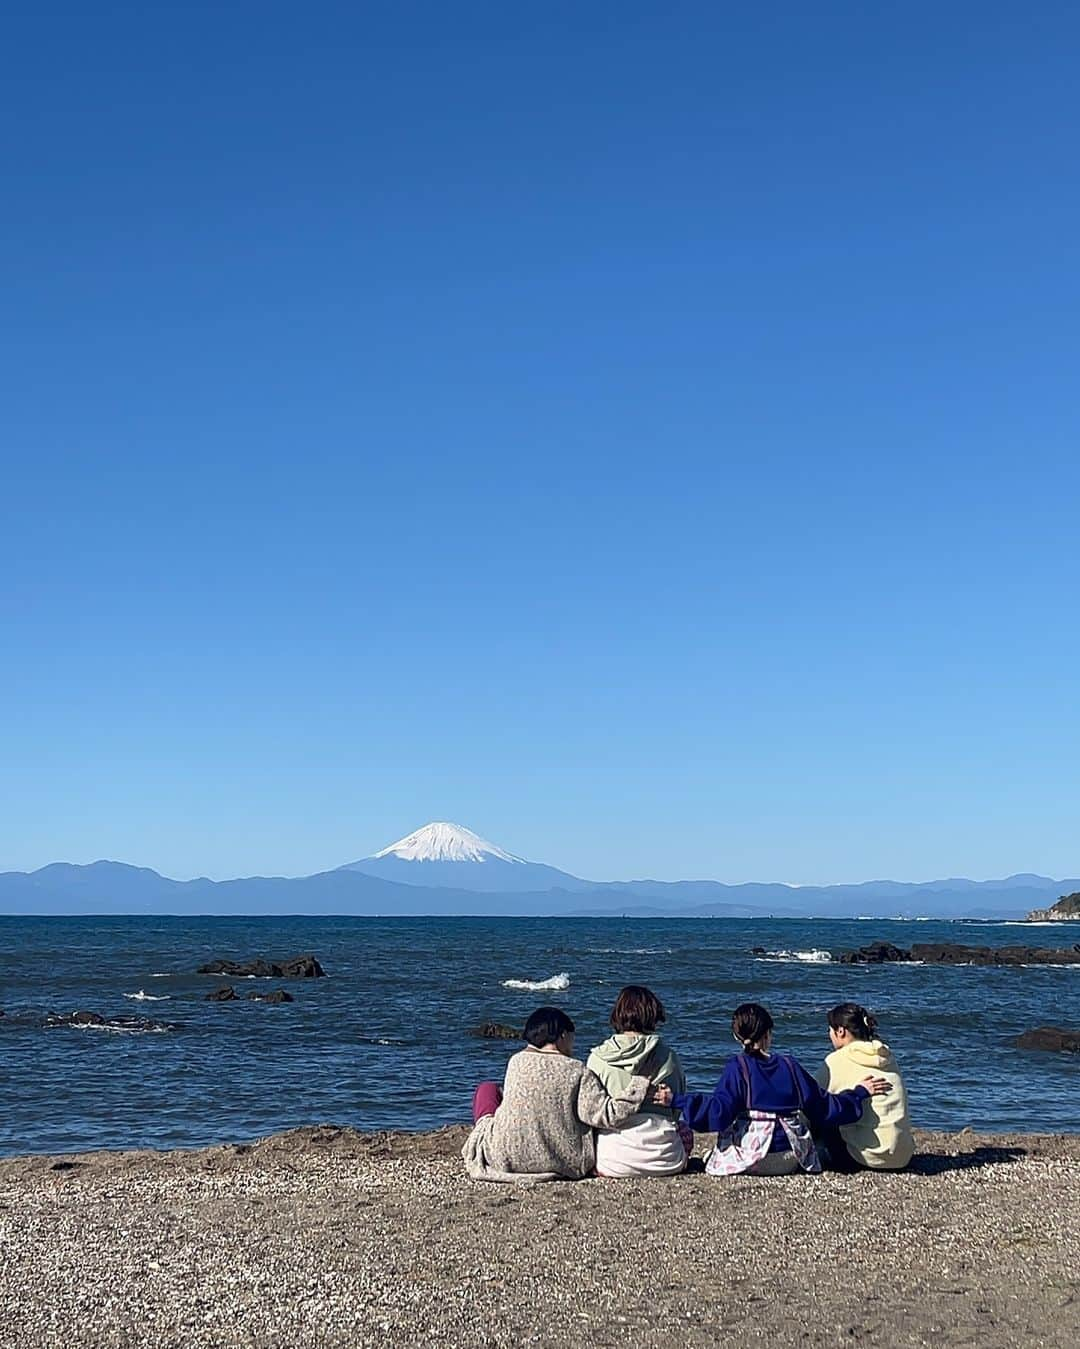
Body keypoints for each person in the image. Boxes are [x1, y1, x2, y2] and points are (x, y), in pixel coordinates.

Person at [671, 1002, 891, 1176]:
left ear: (737, 1036)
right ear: (768, 1033)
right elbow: (823, 1106)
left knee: (716, 1150)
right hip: (791, 1157)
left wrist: (678, 1100)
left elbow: (719, 1112)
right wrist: (859, 1092)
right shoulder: (789, 1065)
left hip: (754, 1158)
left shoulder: (737, 1067)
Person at [462, 1006, 672, 1184]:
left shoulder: (515, 1062)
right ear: (562, 1035)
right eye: (572, 1037)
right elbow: (607, 1115)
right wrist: (640, 1082)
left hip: (505, 1156)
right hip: (563, 1161)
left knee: (487, 1089)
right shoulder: (576, 1070)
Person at [586, 985, 692, 1177]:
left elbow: (592, 1113)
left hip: (612, 1162)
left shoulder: (598, 1058)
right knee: (685, 1129)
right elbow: (676, 1111)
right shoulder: (669, 1057)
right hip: (666, 1160)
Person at [814, 1003, 914, 1171]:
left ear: (841, 1031)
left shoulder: (837, 1060)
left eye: (830, 1029)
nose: (829, 1034)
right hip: (902, 1157)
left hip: (864, 1159)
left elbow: (812, 1096)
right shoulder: (887, 1057)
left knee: (823, 1111)